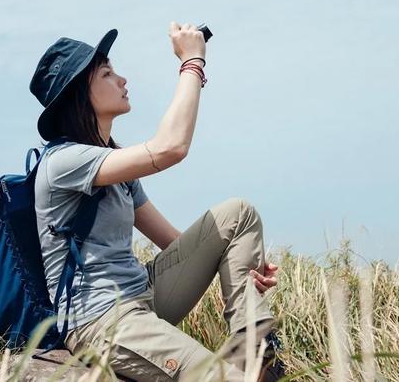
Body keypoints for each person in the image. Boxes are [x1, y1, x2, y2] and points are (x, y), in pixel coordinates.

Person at [29, 22, 285, 381]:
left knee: (237, 215)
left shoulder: (112, 163)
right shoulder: (62, 162)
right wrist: (192, 62)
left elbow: (174, 244)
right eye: (107, 74)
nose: (122, 80)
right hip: (102, 319)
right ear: (78, 94)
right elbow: (170, 148)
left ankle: (256, 355)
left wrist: (240, 264)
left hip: (145, 295)